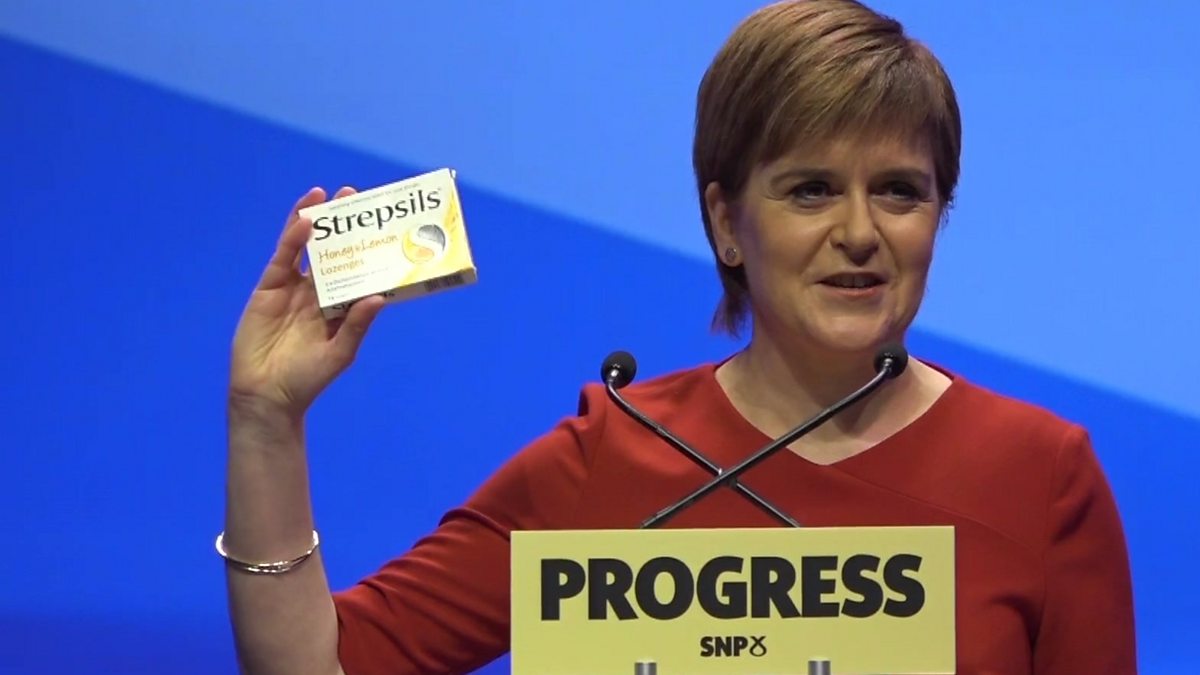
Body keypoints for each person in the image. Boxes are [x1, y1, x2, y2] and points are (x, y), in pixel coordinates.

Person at [220, 1, 1136, 673]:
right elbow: (319, 665)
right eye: (810, 190)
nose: (860, 232)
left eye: (900, 190)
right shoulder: (608, 456)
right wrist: (266, 419)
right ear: (727, 223)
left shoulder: (1041, 473)